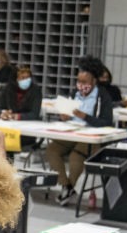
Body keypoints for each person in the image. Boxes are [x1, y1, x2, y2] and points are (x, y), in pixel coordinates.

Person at [46, 57, 115, 204]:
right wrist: (64, 117)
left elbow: (107, 122)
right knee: (52, 150)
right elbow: (68, 112)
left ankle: (67, 189)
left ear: (94, 81)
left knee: (75, 156)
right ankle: (66, 186)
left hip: (92, 136)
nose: (81, 85)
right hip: (72, 132)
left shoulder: (103, 97)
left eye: (85, 82)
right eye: (79, 81)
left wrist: (85, 117)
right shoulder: (74, 94)